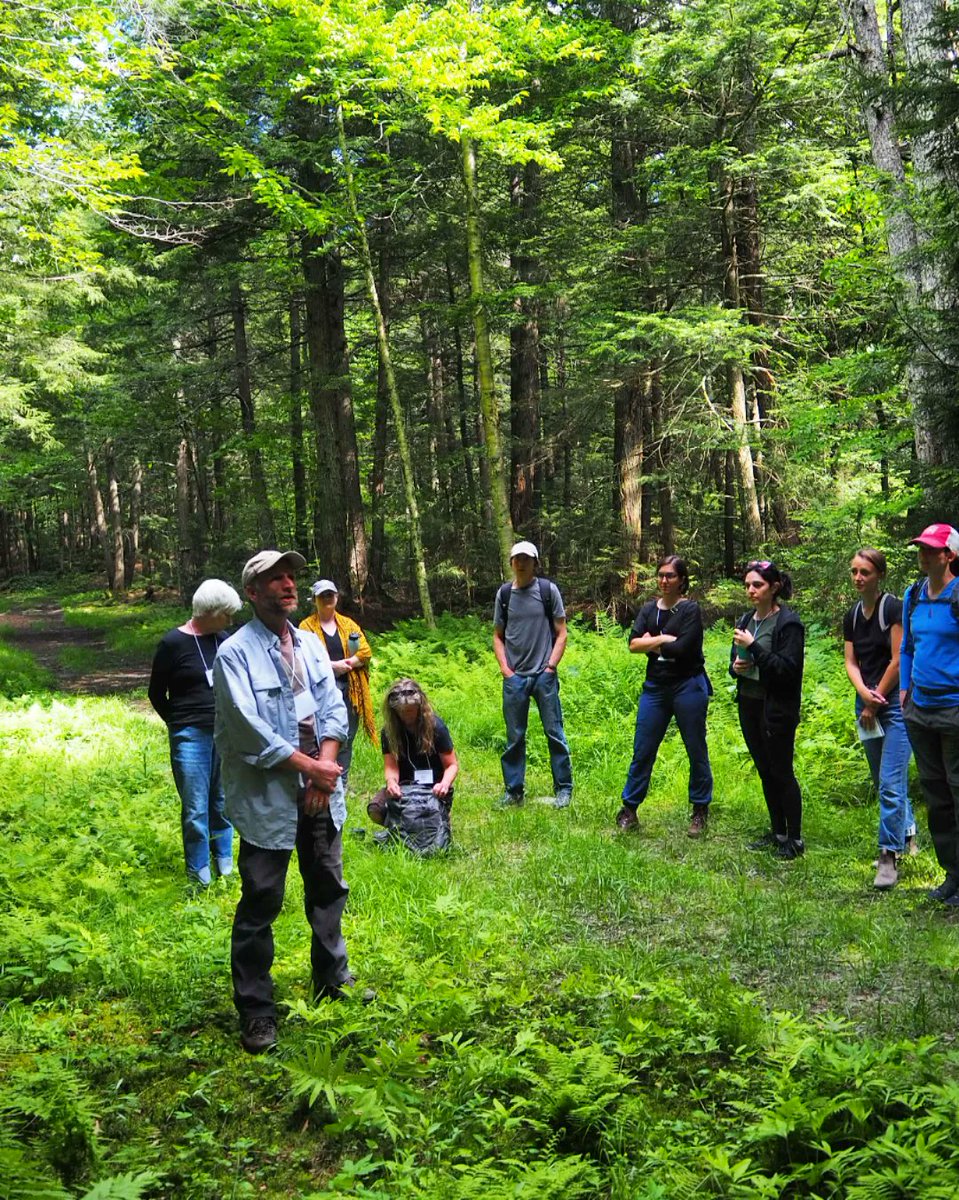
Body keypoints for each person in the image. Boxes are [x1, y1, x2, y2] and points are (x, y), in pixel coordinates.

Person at [213, 549, 356, 1055]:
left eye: (291, 577)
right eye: (275, 580)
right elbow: (248, 733)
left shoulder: (314, 646)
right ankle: (256, 1012)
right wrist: (309, 767)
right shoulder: (234, 654)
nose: (288, 586)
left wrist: (325, 769)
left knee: (327, 888)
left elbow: (333, 707)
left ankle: (332, 980)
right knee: (261, 902)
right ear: (253, 593)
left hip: (319, 791)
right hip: (268, 798)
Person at [148, 578, 242, 888]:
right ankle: (199, 871)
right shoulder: (172, 644)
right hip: (190, 735)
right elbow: (156, 693)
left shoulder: (224, 640)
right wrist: (177, 724)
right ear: (209, 612)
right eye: (225, 614)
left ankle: (224, 862)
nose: (229, 621)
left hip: (224, 735)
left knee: (222, 801)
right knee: (195, 805)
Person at [615, 556, 713, 837]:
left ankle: (700, 809)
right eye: (660, 575)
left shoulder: (690, 610)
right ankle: (630, 809)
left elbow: (685, 649)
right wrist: (662, 640)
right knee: (643, 748)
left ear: (681, 579)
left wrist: (651, 642)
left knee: (695, 748)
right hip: (655, 689)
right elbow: (633, 644)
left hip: (688, 685)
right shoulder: (648, 609)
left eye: (670, 575)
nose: (664, 580)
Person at [843, 548, 916, 890]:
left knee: (890, 782)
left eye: (866, 572)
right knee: (884, 779)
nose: (859, 578)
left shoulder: (893, 608)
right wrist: (862, 695)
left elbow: (899, 658)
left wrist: (875, 700)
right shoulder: (852, 615)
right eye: (855, 571)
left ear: (879, 575)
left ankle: (889, 856)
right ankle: (909, 832)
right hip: (866, 705)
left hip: (895, 707)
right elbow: (851, 661)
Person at [730, 560, 806, 859]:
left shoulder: (788, 623)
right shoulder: (747, 619)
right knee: (764, 770)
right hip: (749, 703)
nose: (750, 590)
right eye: (747, 585)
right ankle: (777, 832)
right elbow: (735, 662)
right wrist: (736, 667)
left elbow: (787, 670)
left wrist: (756, 648)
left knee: (781, 771)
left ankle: (795, 838)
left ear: (773, 588)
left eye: (757, 585)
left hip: (776, 708)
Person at [900, 524, 959, 905]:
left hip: (954, 710)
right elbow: (907, 647)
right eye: (920, 548)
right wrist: (905, 691)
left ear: (949, 555)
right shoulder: (913, 595)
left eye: (931, 549)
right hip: (920, 710)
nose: (923, 554)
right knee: (936, 795)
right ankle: (952, 875)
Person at [492, 540, 573, 809]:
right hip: (515, 678)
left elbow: (561, 633)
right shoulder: (504, 595)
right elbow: (497, 636)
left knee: (554, 732)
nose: (522, 563)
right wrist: (506, 670)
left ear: (535, 562)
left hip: (543, 676)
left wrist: (550, 666)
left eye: (527, 558)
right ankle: (514, 792)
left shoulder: (548, 591)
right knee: (514, 736)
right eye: (517, 558)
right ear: (511, 563)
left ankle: (563, 789)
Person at [298, 579, 375, 791]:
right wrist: (332, 667)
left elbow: (365, 652)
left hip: (351, 688)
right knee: (322, 734)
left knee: (347, 735)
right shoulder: (306, 627)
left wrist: (348, 663)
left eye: (330, 595)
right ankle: (322, 778)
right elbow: (304, 658)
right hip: (321, 691)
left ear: (336, 597)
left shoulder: (348, 624)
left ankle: (343, 781)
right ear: (314, 600)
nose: (327, 599)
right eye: (322, 596)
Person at [367, 678, 459, 845]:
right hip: (405, 786)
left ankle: (429, 822)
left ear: (420, 706)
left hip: (434, 787)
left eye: (411, 710)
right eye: (402, 712)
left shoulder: (436, 727)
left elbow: (452, 765)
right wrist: (391, 782)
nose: (407, 715)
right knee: (376, 809)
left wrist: (444, 784)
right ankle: (405, 828)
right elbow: (390, 766)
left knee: (428, 814)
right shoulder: (388, 731)